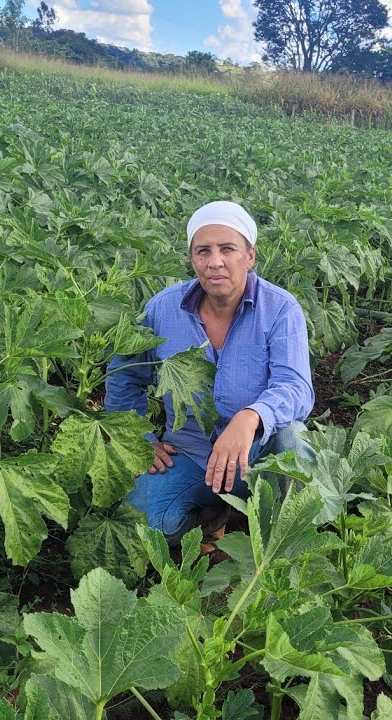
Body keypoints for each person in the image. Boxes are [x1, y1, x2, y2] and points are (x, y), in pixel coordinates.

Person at [105, 200, 315, 544]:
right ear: (192, 259)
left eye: (227, 249)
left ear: (250, 256)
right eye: (203, 251)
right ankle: (210, 516)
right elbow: (125, 375)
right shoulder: (162, 309)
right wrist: (138, 441)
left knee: (293, 438)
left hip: (257, 456)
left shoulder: (280, 309)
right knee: (145, 525)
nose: (215, 261)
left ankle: (287, 537)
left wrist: (251, 417)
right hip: (190, 454)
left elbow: (295, 387)